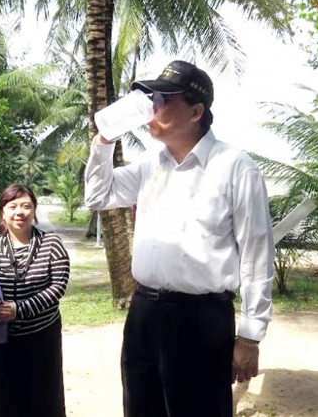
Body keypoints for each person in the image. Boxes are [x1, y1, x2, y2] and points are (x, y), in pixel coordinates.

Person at [84, 60, 275, 417]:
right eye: (150, 99)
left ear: (196, 111)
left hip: (201, 319)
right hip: (144, 312)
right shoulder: (150, 165)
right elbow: (98, 195)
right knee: (141, 407)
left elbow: (257, 255)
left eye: (162, 99)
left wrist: (250, 335)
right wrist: (104, 140)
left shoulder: (235, 167)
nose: (151, 108)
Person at [0, 184, 70, 417]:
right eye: (12, 207)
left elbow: (58, 286)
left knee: (45, 399)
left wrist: (19, 309)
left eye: (26, 206)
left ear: (34, 210)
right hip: (2, 339)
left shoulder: (52, 244)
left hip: (43, 337)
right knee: (3, 400)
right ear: (3, 212)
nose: (19, 212)